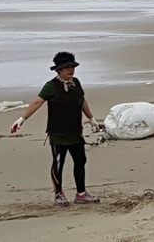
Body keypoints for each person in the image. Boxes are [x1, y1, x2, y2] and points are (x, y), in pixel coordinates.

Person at [10, 52, 101, 206]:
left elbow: (81, 100)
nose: (70, 70)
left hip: (75, 131)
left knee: (80, 160)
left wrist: (92, 119)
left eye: (72, 66)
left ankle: (81, 193)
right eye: (66, 67)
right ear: (58, 70)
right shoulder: (51, 86)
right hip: (57, 132)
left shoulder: (76, 83)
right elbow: (37, 102)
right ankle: (58, 194)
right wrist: (22, 119)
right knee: (59, 162)